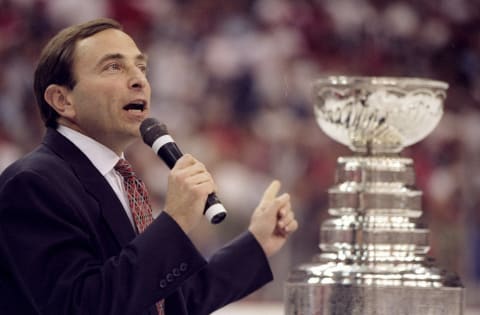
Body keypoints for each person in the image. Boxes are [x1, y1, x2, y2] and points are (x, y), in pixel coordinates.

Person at [0, 18, 298, 315]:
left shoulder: (119, 178)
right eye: (113, 67)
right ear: (62, 100)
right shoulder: (32, 183)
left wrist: (256, 243)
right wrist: (176, 220)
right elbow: (81, 306)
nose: (139, 80)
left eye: (141, 67)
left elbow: (168, 302)